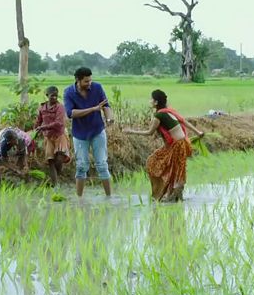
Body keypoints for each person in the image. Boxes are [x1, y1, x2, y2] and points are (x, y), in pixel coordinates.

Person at [123, 90, 204, 202]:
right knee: (173, 168)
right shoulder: (169, 111)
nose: (150, 101)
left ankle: (171, 195)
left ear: (156, 102)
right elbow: (183, 121)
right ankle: (172, 195)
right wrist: (198, 132)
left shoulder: (159, 115)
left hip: (177, 146)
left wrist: (130, 131)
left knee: (161, 165)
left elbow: (149, 132)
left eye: (151, 99)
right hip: (180, 143)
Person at [64, 67, 114, 197]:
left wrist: (109, 118)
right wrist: (93, 109)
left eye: (90, 80)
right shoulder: (69, 92)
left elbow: (105, 106)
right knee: (81, 166)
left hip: (97, 131)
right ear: (78, 80)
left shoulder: (97, 88)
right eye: (86, 81)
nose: (89, 83)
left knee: (102, 165)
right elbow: (71, 113)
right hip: (80, 134)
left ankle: (109, 197)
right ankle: (79, 199)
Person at [34, 86, 71, 186]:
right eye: (52, 96)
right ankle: (54, 184)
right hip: (48, 136)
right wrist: (35, 131)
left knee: (59, 158)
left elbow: (58, 123)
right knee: (50, 159)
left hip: (59, 134)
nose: (54, 98)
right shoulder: (42, 108)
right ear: (47, 96)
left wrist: (43, 127)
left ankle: (57, 177)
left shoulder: (60, 107)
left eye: (56, 96)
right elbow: (38, 121)